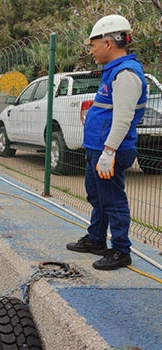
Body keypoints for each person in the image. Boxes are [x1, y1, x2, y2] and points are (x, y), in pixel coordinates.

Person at [66, 14, 147, 270]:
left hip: (110, 152)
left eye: (93, 45)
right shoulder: (113, 72)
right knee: (98, 197)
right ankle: (96, 239)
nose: (91, 51)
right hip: (97, 149)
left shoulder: (126, 74)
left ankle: (121, 251)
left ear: (108, 43)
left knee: (113, 200)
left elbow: (123, 119)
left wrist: (109, 152)